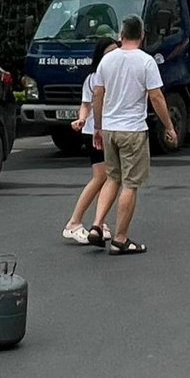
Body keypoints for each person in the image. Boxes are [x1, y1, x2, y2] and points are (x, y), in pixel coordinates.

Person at [88, 15, 177, 255]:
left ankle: (96, 225)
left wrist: (97, 126)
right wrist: (168, 126)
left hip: (109, 128)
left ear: (121, 35)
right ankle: (120, 238)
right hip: (133, 130)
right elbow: (156, 97)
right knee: (130, 183)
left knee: (112, 178)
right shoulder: (146, 62)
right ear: (142, 36)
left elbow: (97, 94)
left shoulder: (107, 61)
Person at [63, 38, 119, 243]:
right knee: (101, 177)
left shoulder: (116, 75)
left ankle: (100, 221)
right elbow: (86, 104)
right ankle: (74, 222)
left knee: (107, 177)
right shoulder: (94, 78)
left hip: (109, 130)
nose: (113, 56)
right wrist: (82, 119)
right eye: (109, 53)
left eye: (116, 51)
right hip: (95, 132)